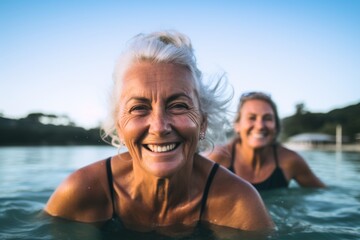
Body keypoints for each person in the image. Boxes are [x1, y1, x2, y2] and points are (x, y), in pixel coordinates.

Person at [44, 31, 274, 236]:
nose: (159, 126)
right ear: (120, 127)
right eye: (138, 108)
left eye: (179, 105)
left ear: (202, 123)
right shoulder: (82, 192)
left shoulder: (238, 204)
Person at [205, 91, 325, 191]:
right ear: (237, 125)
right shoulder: (217, 159)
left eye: (267, 118)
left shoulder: (290, 161)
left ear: (276, 126)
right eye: (252, 118)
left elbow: (322, 193)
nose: (260, 126)